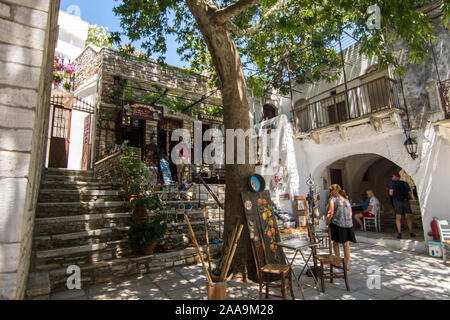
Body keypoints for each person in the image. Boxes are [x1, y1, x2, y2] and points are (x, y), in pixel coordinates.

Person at [326, 184, 357, 270]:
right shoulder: (346, 200)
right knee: (346, 245)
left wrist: (327, 222)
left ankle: (338, 262)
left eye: (331, 191)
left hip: (338, 224)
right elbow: (350, 214)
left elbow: (330, 212)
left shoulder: (333, 199)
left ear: (334, 191)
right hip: (348, 225)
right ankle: (346, 265)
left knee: (335, 243)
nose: (330, 193)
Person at [389, 173, 415, 239]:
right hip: (405, 201)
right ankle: (411, 232)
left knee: (398, 217)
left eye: (393, 176)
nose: (392, 177)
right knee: (408, 217)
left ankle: (399, 233)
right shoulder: (404, 183)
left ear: (397, 177)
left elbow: (391, 193)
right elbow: (409, 192)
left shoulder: (392, 184)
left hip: (397, 201)